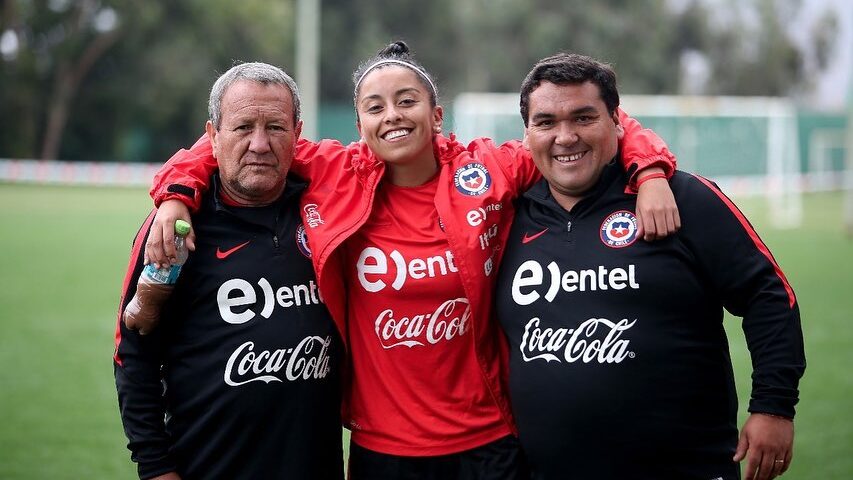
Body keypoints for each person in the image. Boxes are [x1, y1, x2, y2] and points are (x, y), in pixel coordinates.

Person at [143, 42, 679, 479]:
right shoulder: (333, 170)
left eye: (407, 101)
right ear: (359, 124)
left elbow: (600, 120)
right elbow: (220, 141)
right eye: (375, 107)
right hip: (383, 451)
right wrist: (174, 196)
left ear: (436, 114)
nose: (392, 116)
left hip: (488, 442)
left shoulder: (489, 169)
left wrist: (650, 171)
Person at [495, 53, 806, 480]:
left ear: (618, 124)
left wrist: (774, 406)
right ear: (527, 134)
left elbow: (767, 295)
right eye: (546, 122)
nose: (565, 137)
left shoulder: (683, 198)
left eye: (584, 118)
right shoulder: (503, 218)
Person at [114, 62, 344, 480]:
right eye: (242, 128)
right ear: (213, 136)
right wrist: (155, 468)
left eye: (275, 127)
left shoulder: (329, 212)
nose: (260, 144)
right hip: (208, 466)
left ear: (297, 134)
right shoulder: (175, 229)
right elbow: (134, 354)